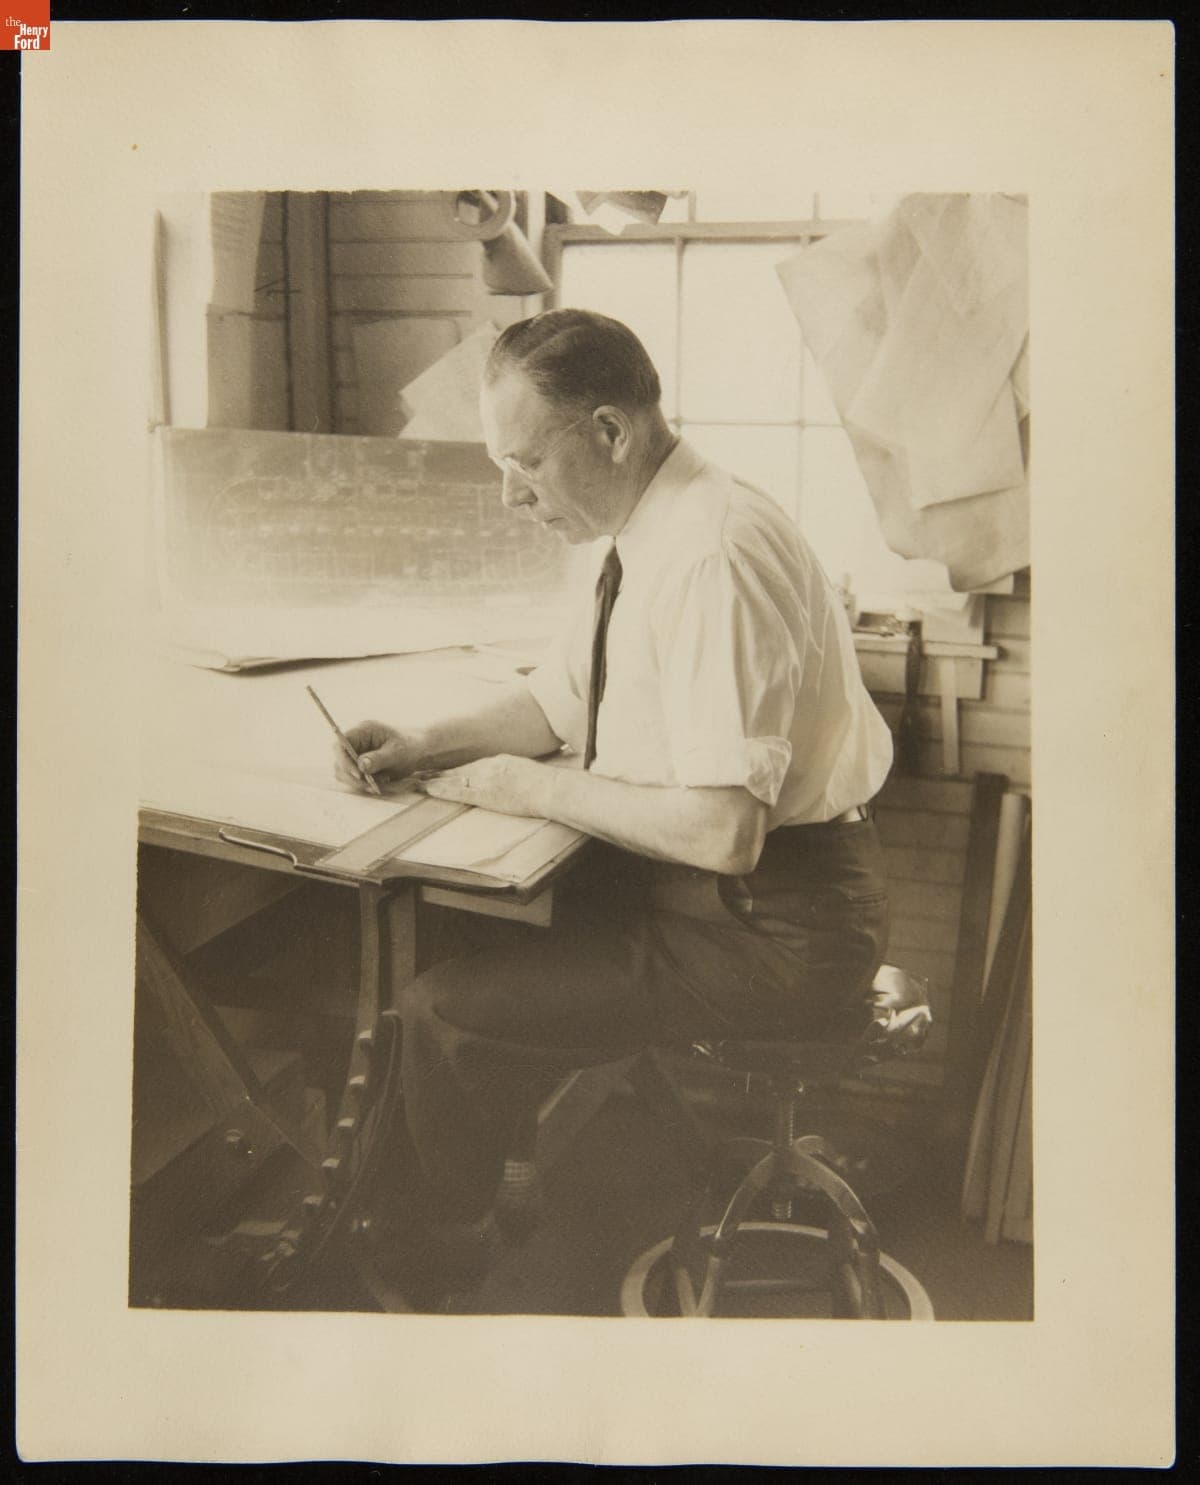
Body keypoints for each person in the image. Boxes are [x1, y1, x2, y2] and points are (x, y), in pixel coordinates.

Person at [335, 308, 894, 1303]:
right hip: (708, 899)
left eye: (527, 465)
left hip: (771, 931)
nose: (513, 496)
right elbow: (561, 701)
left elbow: (726, 834)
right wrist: (427, 745)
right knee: (452, 955)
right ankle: (439, 1200)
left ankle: (420, 1263)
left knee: (446, 1014)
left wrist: (526, 785)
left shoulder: (712, 556)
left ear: (610, 431)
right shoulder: (640, 529)